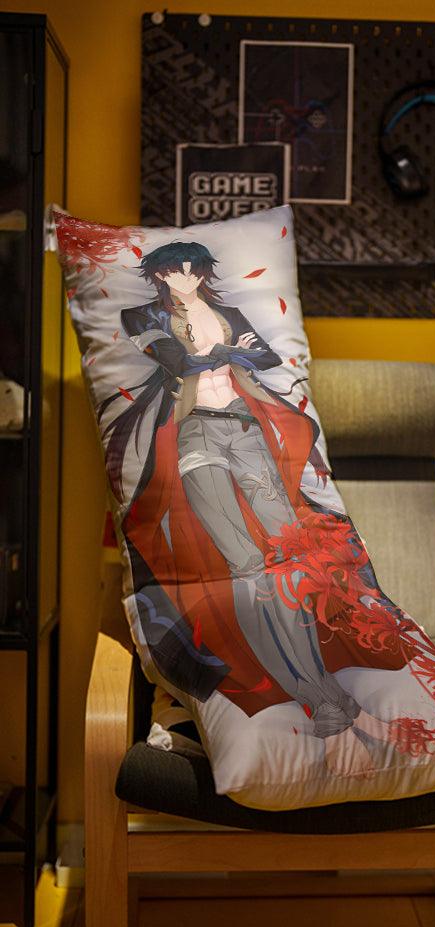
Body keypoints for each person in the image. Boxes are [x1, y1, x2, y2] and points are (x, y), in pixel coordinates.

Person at [101, 241, 406, 775]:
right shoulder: (142, 316)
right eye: (173, 270)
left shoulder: (229, 313)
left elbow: (264, 357)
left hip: (245, 429)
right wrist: (226, 352)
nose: (185, 277)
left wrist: (223, 353)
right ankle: (313, 696)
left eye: (193, 268)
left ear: (205, 271)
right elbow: (178, 361)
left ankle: (324, 690)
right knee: (244, 568)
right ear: (158, 275)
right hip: (195, 435)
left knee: (291, 560)